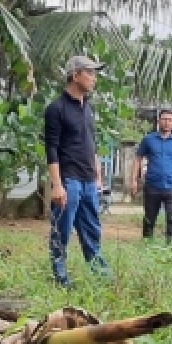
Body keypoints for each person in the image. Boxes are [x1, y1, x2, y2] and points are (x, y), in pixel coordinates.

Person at [43, 56, 111, 287]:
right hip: (68, 180)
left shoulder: (88, 108)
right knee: (62, 231)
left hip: (88, 180)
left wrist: (98, 175)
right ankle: (60, 278)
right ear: (75, 75)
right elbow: (51, 148)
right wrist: (57, 185)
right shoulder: (56, 109)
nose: (94, 78)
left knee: (92, 229)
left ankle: (101, 275)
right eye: (90, 73)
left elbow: (91, 144)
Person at [133, 109, 172, 241]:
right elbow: (138, 159)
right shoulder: (148, 140)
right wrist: (134, 180)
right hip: (152, 185)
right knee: (149, 219)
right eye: (164, 119)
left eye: (170, 120)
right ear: (159, 121)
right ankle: (147, 244)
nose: (167, 122)